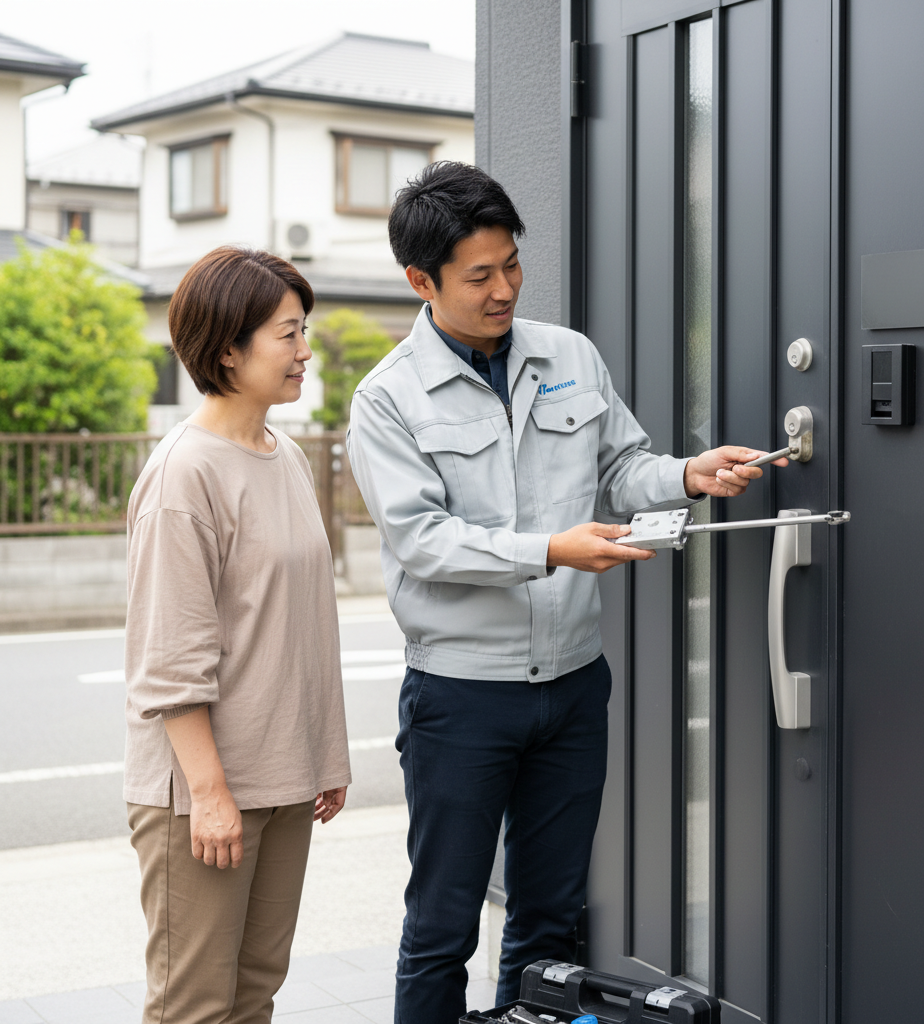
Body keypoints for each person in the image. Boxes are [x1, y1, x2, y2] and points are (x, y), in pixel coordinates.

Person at [345, 161, 787, 1024]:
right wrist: (552, 548)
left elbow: (622, 466)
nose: (505, 287)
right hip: (461, 696)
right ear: (420, 282)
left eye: (512, 263)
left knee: (550, 923)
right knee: (442, 927)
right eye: (480, 275)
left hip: (576, 687)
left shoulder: (567, 353)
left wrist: (689, 473)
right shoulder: (387, 398)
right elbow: (421, 541)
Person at [123, 246, 351, 1024]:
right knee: (195, 1008)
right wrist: (211, 796)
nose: (304, 351)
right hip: (205, 793)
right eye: (287, 334)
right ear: (228, 349)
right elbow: (168, 661)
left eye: (304, 330)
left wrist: (323, 754)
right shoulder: (184, 474)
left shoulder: (282, 454)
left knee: (255, 994)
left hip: (284, 776)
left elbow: (300, 626)